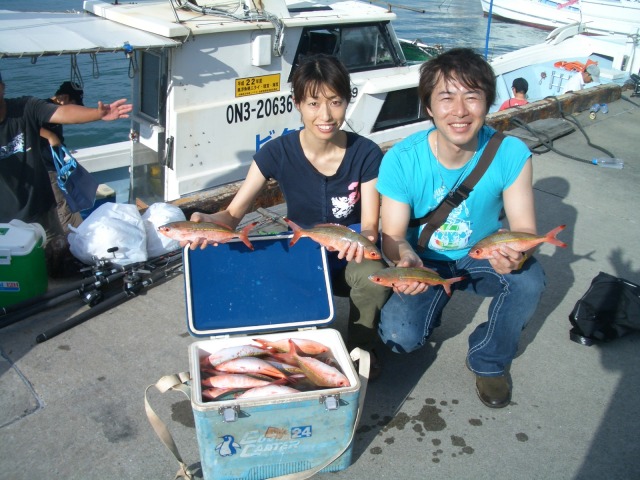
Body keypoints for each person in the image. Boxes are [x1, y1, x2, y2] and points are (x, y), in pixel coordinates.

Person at [183, 54, 390, 373]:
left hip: (349, 254)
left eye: (335, 102)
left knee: (372, 278)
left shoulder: (366, 154)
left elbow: (372, 227)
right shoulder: (277, 152)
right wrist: (210, 222)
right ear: (296, 103)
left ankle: (362, 345)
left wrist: (362, 241)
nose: (325, 115)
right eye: (313, 103)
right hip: (301, 254)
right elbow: (233, 214)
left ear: (348, 101)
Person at [376, 48, 546, 408]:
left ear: (487, 102)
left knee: (529, 280)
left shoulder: (511, 152)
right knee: (399, 337)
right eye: (446, 97)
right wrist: (405, 258)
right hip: (424, 261)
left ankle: (490, 361)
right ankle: (429, 306)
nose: (459, 111)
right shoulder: (401, 159)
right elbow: (391, 235)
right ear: (428, 106)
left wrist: (516, 256)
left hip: (480, 253)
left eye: (472, 96)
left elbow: (525, 230)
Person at [0, 72, 133, 273]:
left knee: (56, 262)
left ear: (2, 87)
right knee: (14, 273)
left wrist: (96, 114)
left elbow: (62, 113)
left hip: (42, 213)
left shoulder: (25, 107)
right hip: (4, 223)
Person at [39, 81, 86, 235]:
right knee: (64, 206)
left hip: (54, 167)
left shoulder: (57, 111)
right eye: (73, 105)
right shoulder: (44, 109)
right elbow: (27, 125)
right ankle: (73, 240)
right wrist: (50, 135)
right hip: (46, 169)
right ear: (64, 98)